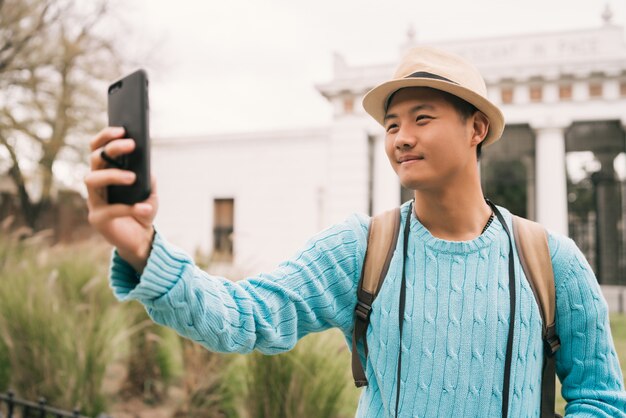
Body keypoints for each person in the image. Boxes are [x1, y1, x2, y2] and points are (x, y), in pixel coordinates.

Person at [85, 46, 626, 417]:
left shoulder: (549, 259)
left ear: (476, 128)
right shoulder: (361, 249)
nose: (401, 138)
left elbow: (599, 397)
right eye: (391, 125)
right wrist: (143, 249)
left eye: (422, 118)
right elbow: (244, 317)